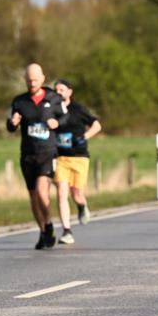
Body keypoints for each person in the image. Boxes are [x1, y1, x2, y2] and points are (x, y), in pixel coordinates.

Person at [7, 63, 68, 249]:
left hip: (48, 153)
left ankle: (48, 224)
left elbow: (66, 118)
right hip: (28, 154)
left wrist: (56, 123)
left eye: (35, 79)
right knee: (33, 197)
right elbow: (10, 127)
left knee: (42, 191)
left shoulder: (54, 98)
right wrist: (13, 123)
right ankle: (44, 231)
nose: (32, 83)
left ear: (42, 78)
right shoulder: (20, 102)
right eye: (28, 80)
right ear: (25, 80)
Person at [52, 79, 101, 245]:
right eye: (56, 90)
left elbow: (97, 125)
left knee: (77, 193)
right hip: (60, 158)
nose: (59, 92)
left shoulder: (78, 109)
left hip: (79, 157)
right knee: (61, 192)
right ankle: (67, 231)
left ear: (70, 92)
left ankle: (81, 206)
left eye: (62, 89)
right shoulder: (51, 110)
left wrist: (84, 137)